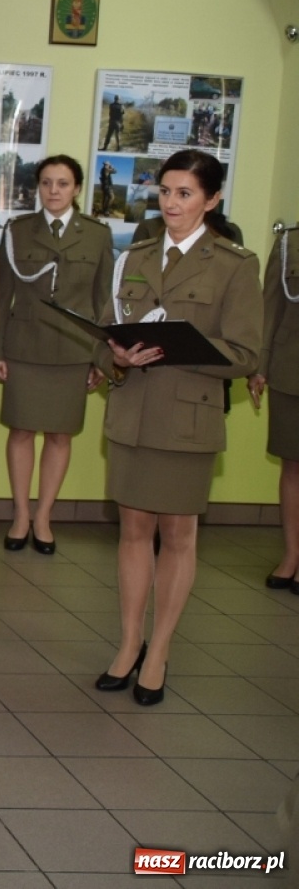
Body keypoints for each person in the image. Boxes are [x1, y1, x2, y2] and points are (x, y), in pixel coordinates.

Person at [95, 149, 260, 705]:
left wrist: (174, 347)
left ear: (212, 200)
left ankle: (159, 651)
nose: (171, 203)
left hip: (187, 419)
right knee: (133, 531)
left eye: (185, 194)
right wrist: (118, 357)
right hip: (133, 412)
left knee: (178, 537)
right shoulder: (134, 255)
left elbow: (244, 354)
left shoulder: (236, 264)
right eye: (165, 192)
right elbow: (108, 337)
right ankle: (128, 643)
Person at [0, 156, 112, 554]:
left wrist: (101, 357)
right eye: (46, 183)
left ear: (77, 188)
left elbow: (103, 302)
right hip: (24, 346)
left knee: (61, 435)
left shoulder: (96, 234)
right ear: (38, 187)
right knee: (21, 431)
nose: (54, 191)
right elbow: (0, 294)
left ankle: (44, 516)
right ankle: (21, 515)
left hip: (74, 349)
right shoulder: (17, 231)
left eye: (62, 183)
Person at [248, 222, 299, 594]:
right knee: (292, 464)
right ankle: (292, 555)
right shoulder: (289, 243)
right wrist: (259, 367)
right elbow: (271, 308)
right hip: (291, 369)